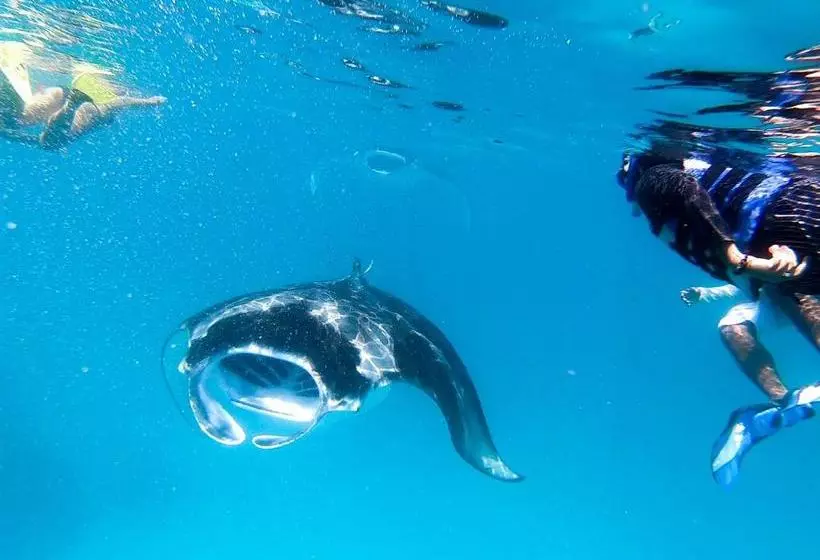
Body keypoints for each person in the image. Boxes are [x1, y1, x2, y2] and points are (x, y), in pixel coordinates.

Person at [616, 149, 820, 487]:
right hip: (781, 243)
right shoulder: (701, 176)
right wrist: (733, 270)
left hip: (782, 226)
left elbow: (679, 187)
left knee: (782, 289)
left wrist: (736, 259)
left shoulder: (650, 178)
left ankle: (781, 400)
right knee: (739, 321)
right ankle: (785, 401)